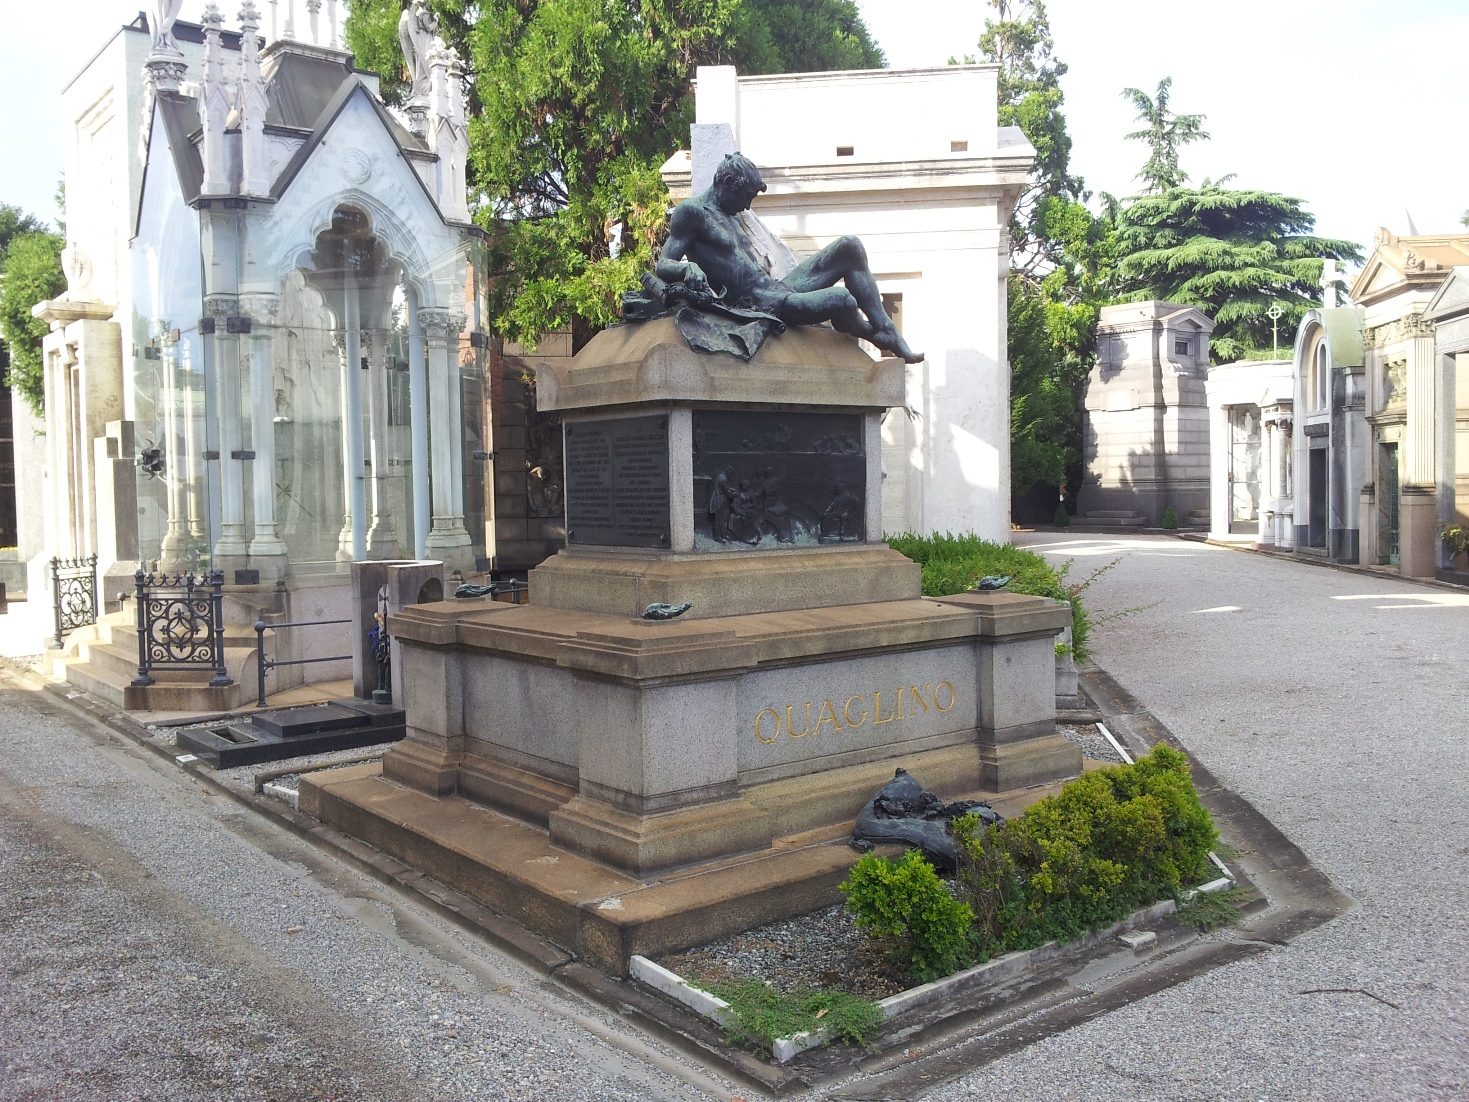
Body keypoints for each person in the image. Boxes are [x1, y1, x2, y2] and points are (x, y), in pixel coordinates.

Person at [655, 153, 923, 363]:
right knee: (842, 299)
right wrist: (687, 268)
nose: (747, 206)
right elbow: (663, 264)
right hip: (756, 304)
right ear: (726, 184)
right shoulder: (692, 213)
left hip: (776, 289)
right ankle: (864, 329)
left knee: (850, 246)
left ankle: (885, 329)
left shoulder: (730, 215)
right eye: (745, 197)